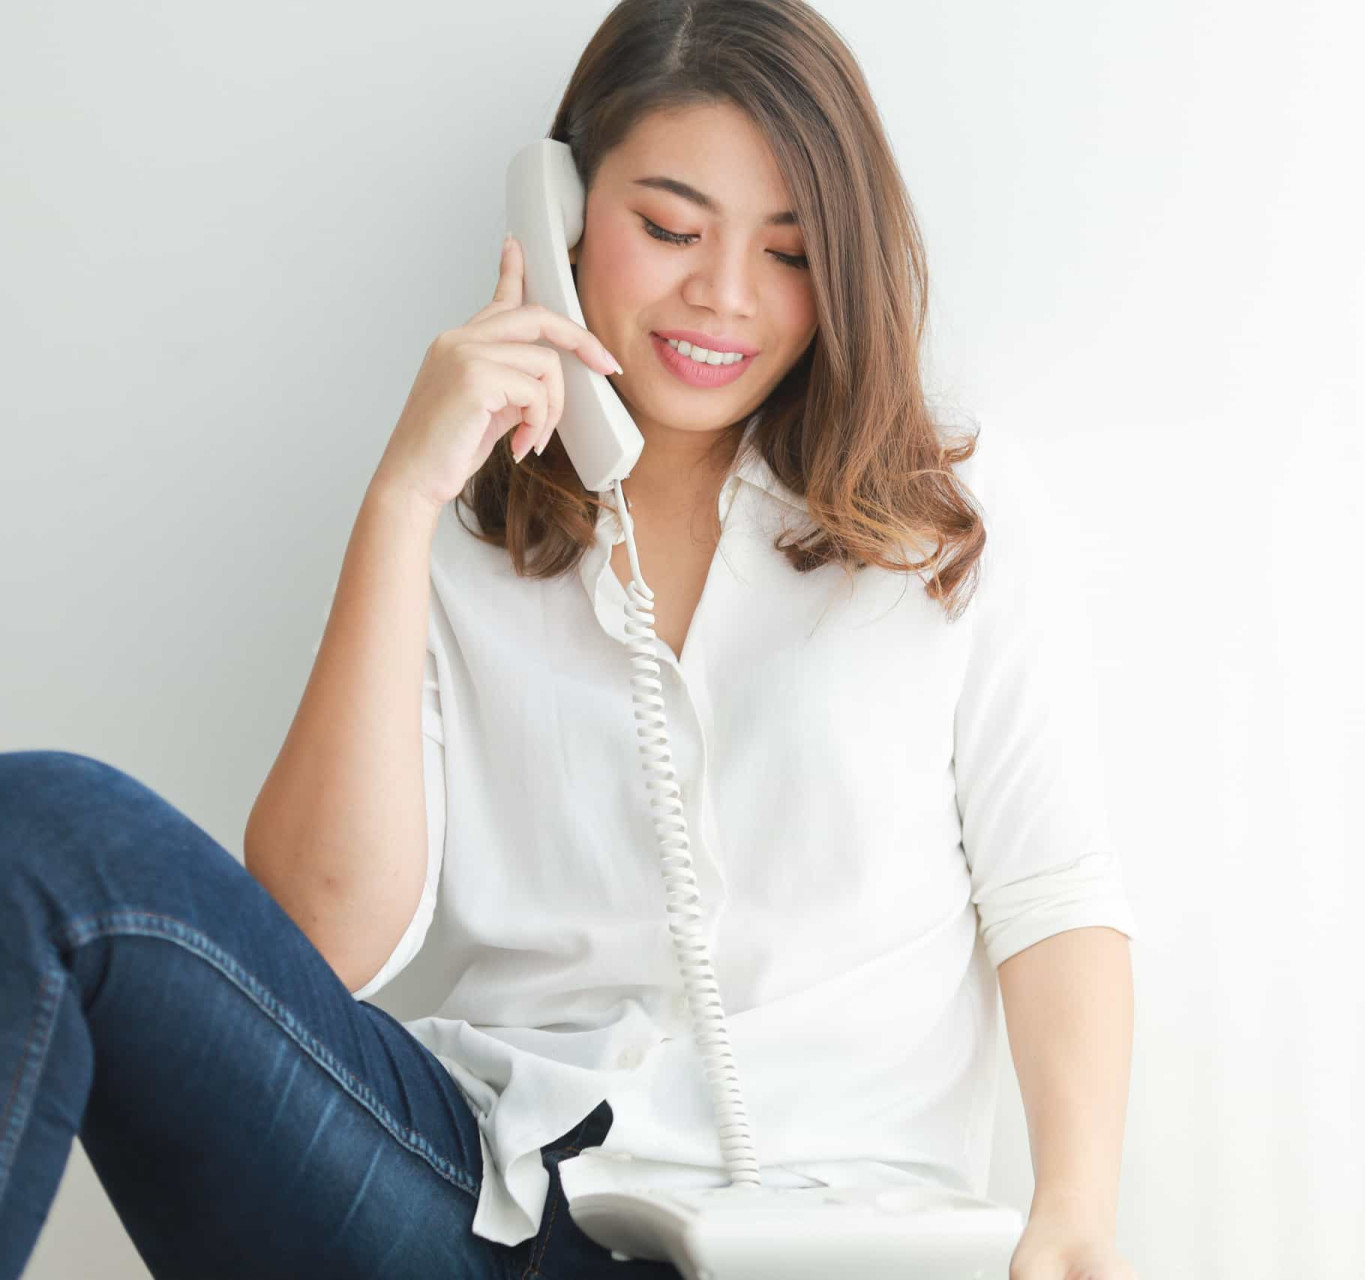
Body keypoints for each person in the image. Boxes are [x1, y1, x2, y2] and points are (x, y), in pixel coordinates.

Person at [0, 2, 1140, 1277]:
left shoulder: (950, 522)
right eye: (669, 228)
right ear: (562, 212)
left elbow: (1053, 890)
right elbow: (319, 943)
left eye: (791, 252)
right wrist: (402, 501)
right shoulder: (464, 535)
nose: (724, 296)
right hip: (479, 1189)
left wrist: (1075, 1212)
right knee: (47, 834)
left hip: (813, 1220)